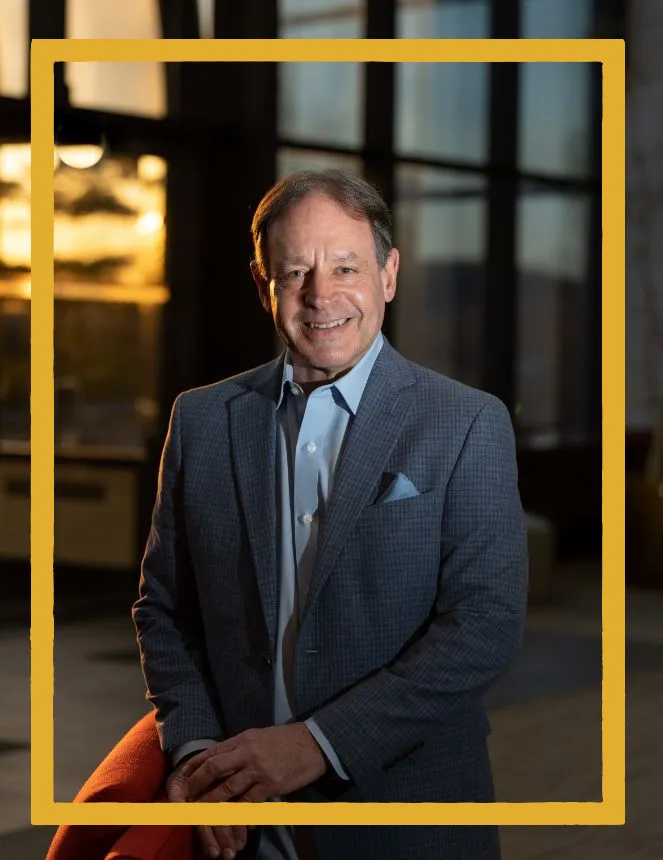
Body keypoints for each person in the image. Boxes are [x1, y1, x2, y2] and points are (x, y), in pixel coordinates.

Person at [133, 169, 529, 860]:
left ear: (388, 274)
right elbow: (164, 611)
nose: (321, 295)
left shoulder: (465, 423)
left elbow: (483, 626)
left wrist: (315, 745)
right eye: (295, 272)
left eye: (345, 266)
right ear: (263, 286)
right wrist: (199, 757)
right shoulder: (201, 421)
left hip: (407, 823)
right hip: (242, 829)